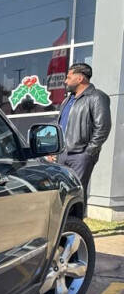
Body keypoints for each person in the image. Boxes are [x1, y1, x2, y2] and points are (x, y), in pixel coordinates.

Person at [54, 63, 111, 206]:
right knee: (60, 191)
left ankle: (76, 225)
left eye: (69, 77)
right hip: (62, 154)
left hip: (80, 154)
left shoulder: (97, 97)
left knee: (75, 192)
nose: (65, 81)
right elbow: (60, 126)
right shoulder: (67, 100)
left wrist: (89, 152)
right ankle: (66, 224)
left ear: (80, 78)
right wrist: (53, 149)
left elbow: (103, 127)